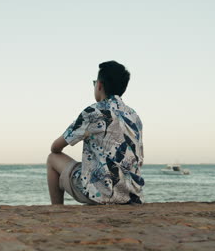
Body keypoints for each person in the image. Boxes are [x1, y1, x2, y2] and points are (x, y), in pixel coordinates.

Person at [46, 61, 144, 205]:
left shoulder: (93, 112)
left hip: (100, 195)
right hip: (131, 195)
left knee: (52, 158)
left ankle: (56, 209)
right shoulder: (134, 116)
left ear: (99, 85)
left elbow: (55, 147)